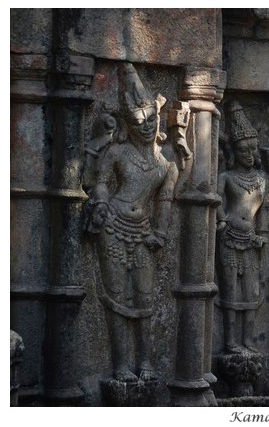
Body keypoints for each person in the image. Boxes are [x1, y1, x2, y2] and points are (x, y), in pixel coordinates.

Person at [88, 63, 179, 382]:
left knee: (146, 298)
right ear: (128, 122)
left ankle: (146, 362)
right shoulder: (116, 152)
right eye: (138, 121)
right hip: (112, 225)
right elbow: (100, 181)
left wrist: (162, 232)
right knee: (117, 299)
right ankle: (122, 365)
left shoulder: (166, 165)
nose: (146, 126)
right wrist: (100, 202)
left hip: (143, 231)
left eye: (151, 119)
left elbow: (164, 203)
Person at [216, 101, 269, 353]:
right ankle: (230, 341)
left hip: (251, 240)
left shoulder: (261, 179)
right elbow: (216, 202)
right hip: (228, 238)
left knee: (251, 292)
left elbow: (263, 213)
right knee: (231, 293)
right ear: (234, 152)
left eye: (252, 149)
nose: (249, 154)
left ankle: (247, 339)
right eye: (243, 150)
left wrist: (262, 235)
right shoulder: (225, 178)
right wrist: (222, 219)